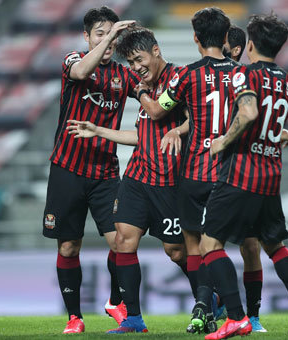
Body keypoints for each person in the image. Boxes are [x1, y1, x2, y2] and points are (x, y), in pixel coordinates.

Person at [138, 8, 265, 334]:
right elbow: (251, 115)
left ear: (195, 38)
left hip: (194, 174)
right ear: (226, 38)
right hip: (232, 175)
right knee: (238, 245)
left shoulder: (185, 76)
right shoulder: (242, 75)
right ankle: (227, 313)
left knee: (197, 247)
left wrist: (139, 90)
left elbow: (154, 111)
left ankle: (217, 311)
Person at [201, 13, 288, 339]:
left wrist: (223, 140)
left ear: (249, 45)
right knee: (275, 246)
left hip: (239, 173)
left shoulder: (243, 74)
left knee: (209, 244)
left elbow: (249, 111)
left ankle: (236, 317)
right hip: (271, 176)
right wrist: (287, 137)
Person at [68, 26, 189, 334]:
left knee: (176, 251)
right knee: (123, 241)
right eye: (131, 64)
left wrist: (177, 129)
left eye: (139, 60)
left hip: (170, 179)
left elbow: (185, 118)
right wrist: (97, 129)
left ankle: (209, 298)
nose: (136, 68)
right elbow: (142, 135)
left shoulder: (179, 79)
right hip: (137, 175)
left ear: (156, 51)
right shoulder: (146, 83)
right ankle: (133, 318)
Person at [42, 6, 138, 334]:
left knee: (122, 241)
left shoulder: (124, 75)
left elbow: (151, 95)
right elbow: (81, 73)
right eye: (101, 33)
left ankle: (115, 301)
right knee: (69, 247)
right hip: (67, 169)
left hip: (106, 173)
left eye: (112, 34)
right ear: (87, 36)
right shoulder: (73, 59)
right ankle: (74, 316)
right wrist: (112, 35)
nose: (108, 40)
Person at [224, 24, 266, 333]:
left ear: (236, 50)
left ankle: (252, 316)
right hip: (208, 170)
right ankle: (215, 307)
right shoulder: (203, 76)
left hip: (245, 172)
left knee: (250, 246)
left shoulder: (249, 81)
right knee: (203, 245)